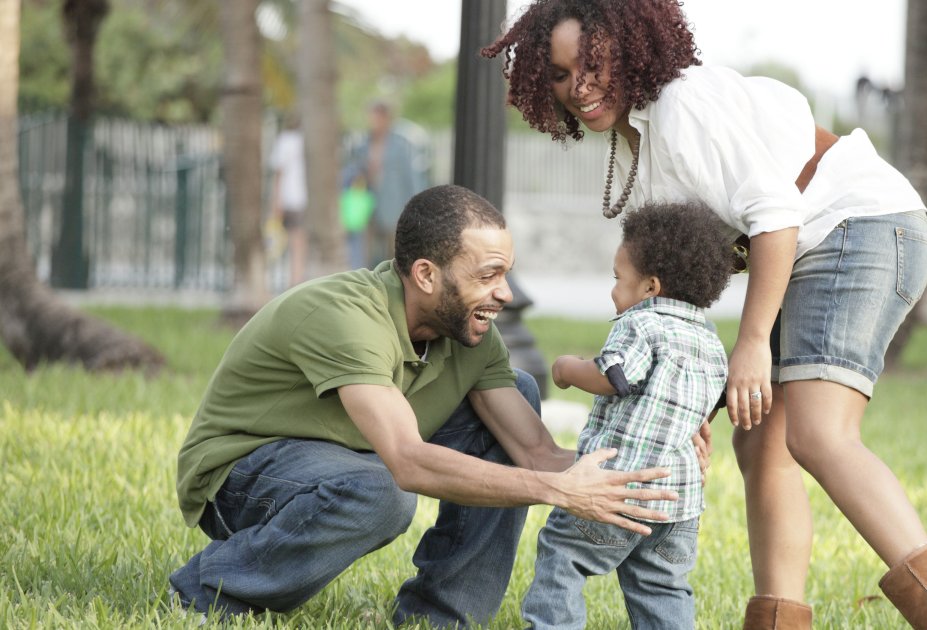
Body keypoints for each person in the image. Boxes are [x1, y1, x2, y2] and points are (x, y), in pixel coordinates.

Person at [484, 2, 927, 629]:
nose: (580, 87)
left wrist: (754, 340)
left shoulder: (681, 105)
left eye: (592, 64)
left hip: (857, 227)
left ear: (628, 49)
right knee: (760, 439)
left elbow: (776, 214)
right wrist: (682, 407)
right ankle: (777, 622)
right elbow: (674, 299)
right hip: (818, 243)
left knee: (817, 432)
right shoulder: (642, 138)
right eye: (563, 75)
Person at [169, 184, 683, 628]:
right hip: (242, 475)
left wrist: (659, 466)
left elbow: (537, 454)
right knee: (382, 493)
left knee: (519, 392)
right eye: (488, 274)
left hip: (352, 457)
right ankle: (209, 590)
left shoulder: (472, 337)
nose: (504, 293)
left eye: (507, 274)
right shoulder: (345, 316)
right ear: (425, 274)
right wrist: (557, 491)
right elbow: (408, 462)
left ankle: (442, 617)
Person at [521, 202, 731, 629]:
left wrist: (567, 368)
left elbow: (612, 376)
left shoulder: (641, 325)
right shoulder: (711, 342)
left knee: (563, 557)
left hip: (615, 487)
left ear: (650, 287)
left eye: (618, 280)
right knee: (662, 586)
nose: (614, 292)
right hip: (678, 505)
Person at [341, 101, 430, 269]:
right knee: (367, 253)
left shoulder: (401, 146)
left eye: (377, 117)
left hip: (395, 207)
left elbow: (412, 178)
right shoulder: (362, 145)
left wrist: (417, 206)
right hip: (368, 206)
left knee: (393, 252)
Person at [268, 114, 307, 286]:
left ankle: (296, 279)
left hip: (297, 198)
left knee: (297, 242)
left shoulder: (292, 140)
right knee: (295, 242)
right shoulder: (288, 140)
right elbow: (279, 173)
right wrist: (277, 201)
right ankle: (295, 280)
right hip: (293, 198)